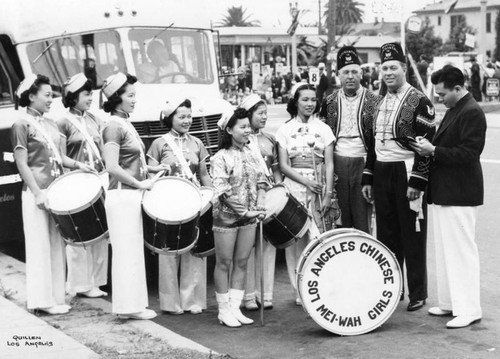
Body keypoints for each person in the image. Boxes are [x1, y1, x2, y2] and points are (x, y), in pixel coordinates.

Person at [361, 42, 436, 312]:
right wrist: (368, 177)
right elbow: (372, 143)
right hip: (382, 170)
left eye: (394, 67)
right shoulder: (378, 101)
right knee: (387, 232)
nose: (389, 72)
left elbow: (427, 144)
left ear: (404, 69)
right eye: (385, 68)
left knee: (412, 233)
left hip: (406, 171)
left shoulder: (420, 101)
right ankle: (393, 288)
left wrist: (418, 181)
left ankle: (418, 292)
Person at [411, 65, 486, 328]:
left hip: (461, 193)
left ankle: (468, 308)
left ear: (457, 88)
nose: (439, 99)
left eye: (442, 94)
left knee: (462, 252)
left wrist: (433, 151)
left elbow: (469, 153)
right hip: (447, 191)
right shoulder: (457, 108)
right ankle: (450, 301)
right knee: (446, 251)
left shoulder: (472, 112)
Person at [11, 74, 93, 314]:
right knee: (39, 247)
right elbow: (22, 163)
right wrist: (36, 192)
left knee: (58, 245)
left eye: (52, 95)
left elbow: (60, 157)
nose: (51, 100)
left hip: (57, 191)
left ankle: (57, 298)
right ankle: (41, 301)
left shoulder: (50, 124)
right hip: (37, 192)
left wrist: (78, 165)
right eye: (47, 95)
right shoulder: (21, 124)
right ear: (31, 96)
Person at [146, 97, 212, 315]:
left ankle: (192, 300)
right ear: (169, 118)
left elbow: (204, 175)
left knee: (194, 248)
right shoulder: (159, 143)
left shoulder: (197, 143)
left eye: (189, 116)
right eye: (181, 116)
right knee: (168, 250)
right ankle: (170, 303)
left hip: (194, 201)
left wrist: (210, 196)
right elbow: (151, 174)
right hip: (168, 202)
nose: (187, 120)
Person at [276, 83, 339, 306]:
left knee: (319, 238)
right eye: (305, 99)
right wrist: (305, 182)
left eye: (313, 99)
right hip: (294, 186)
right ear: (295, 102)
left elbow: (330, 163)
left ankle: (321, 285)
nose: (310, 104)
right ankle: (299, 291)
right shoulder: (284, 130)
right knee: (296, 241)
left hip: (320, 185)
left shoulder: (323, 129)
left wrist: (327, 193)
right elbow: (283, 166)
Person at [101, 72, 157, 320]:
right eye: (130, 95)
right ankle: (126, 307)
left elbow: (131, 160)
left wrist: (151, 170)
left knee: (133, 251)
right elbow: (111, 166)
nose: (135, 100)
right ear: (116, 98)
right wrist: (138, 183)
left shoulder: (125, 123)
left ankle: (134, 305)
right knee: (126, 253)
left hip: (131, 194)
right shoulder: (113, 126)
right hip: (123, 195)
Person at [211, 108, 268, 327]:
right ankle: (223, 310)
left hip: (251, 215)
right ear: (229, 130)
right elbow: (222, 191)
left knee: (242, 262)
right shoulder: (219, 157)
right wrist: (244, 211)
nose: (247, 131)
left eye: (248, 127)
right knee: (224, 262)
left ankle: (235, 308)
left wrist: (261, 201)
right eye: (242, 127)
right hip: (226, 217)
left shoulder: (253, 153)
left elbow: (263, 180)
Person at [321, 46, 382, 233]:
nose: (350, 76)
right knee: (340, 219)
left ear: (361, 74)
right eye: (345, 72)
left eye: (354, 72)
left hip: (363, 161)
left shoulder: (375, 100)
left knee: (363, 218)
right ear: (338, 75)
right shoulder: (329, 101)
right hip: (337, 160)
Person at [59, 73, 108, 298]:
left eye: (91, 93)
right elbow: (61, 157)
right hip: (76, 181)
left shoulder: (95, 119)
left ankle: (97, 282)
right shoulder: (62, 122)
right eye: (86, 94)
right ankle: (78, 284)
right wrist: (79, 166)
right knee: (78, 235)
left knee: (101, 232)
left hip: (98, 179)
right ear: (73, 96)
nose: (91, 98)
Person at [240, 94, 283, 311]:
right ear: (249, 115)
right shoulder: (240, 141)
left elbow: (276, 170)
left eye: (266, 113)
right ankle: (247, 295)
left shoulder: (270, 139)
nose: (265, 117)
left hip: (268, 196)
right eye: (261, 113)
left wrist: (279, 189)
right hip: (248, 197)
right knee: (247, 245)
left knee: (268, 244)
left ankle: (265, 294)